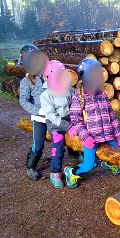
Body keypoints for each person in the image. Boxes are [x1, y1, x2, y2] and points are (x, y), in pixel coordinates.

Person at [65, 58, 120, 188]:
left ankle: (107, 163)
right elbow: (75, 118)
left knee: (117, 154)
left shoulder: (102, 95)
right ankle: (71, 171)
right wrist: (85, 136)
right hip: (91, 137)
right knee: (88, 165)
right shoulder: (79, 96)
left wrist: (118, 135)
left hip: (108, 135)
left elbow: (112, 116)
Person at [40, 61, 79, 188]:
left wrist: (76, 121)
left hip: (70, 119)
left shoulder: (68, 89)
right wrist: (68, 127)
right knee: (58, 148)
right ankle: (55, 172)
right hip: (55, 124)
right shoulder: (46, 95)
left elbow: (75, 104)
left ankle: (78, 156)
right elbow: (51, 116)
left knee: (78, 137)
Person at [19, 45, 47, 180]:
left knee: (64, 134)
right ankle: (31, 166)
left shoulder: (47, 74)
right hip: (40, 117)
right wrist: (38, 111)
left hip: (54, 114)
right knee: (38, 144)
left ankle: (73, 154)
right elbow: (24, 101)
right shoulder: (26, 82)